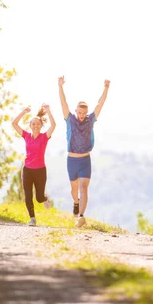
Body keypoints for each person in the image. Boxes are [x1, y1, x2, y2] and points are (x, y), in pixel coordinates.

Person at [58, 76, 110, 228]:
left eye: (84, 113)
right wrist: (60, 86)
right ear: (76, 111)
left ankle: (81, 217)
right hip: (72, 160)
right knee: (74, 189)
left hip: (85, 160)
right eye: (79, 112)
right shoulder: (70, 119)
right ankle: (76, 202)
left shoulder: (90, 120)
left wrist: (106, 88)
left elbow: (100, 104)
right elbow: (63, 103)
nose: (82, 115)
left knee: (83, 187)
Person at [11, 104, 56, 226]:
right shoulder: (26, 136)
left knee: (39, 198)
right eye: (33, 124)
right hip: (27, 170)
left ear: (41, 125)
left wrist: (49, 111)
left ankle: (45, 199)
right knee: (28, 195)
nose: (36, 125)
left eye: (38, 124)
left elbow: (53, 125)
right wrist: (23, 112)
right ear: (30, 126)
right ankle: (32, 218)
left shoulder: (44, 137)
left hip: (40, 171)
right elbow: (14, 124)